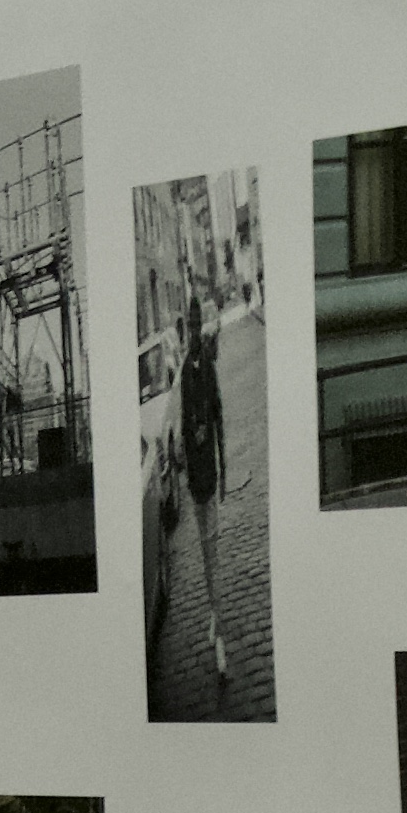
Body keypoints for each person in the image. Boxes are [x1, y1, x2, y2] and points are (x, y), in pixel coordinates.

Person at [177, 291, 231, 693]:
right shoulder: (184, 372)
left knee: (213, 554)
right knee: (206, 550)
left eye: (197, 325)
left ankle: (220, 632)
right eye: (190, 327)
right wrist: (187, 444)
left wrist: (226, 467)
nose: (194, 332)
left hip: (210, 474)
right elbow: (185, 422)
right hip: (196, 480)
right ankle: (216, 619)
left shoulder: (207, 368)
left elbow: (218, 415)